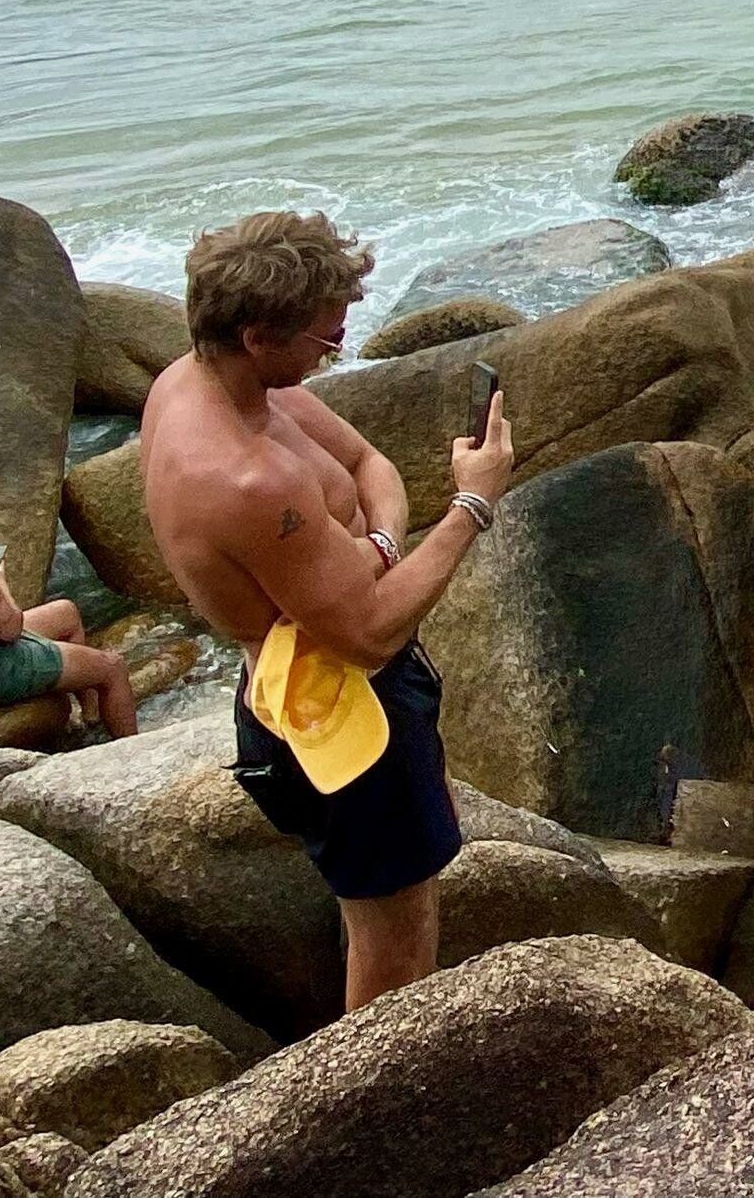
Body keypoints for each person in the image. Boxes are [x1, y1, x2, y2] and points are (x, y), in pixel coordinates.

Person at [139, 210, 513, 1012]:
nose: (333, 352)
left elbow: (370, 463)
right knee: (393, 943)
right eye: (324, 339)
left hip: (343, 684)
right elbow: (370, 631)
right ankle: (382, 1080)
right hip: (336, 712)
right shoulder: (246, 479)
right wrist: (473, 504)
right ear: (256, 336)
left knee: (406, 889)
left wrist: (374, 549)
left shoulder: (212, 383)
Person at [0, 492, 137, 734]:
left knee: (65, 612)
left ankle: (91, 713)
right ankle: (131, 748)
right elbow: (10, 631)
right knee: (113, 667)